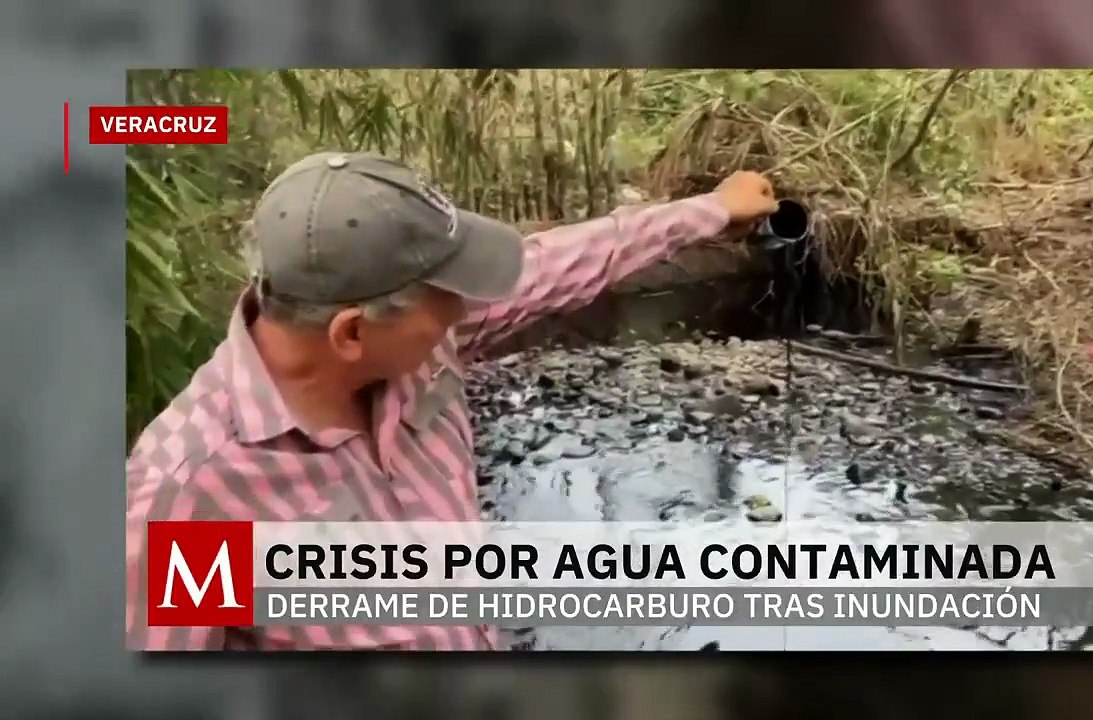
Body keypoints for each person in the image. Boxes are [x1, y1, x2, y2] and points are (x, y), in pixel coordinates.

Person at [125, 150, 779, 651]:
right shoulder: (189, 498)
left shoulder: (420, 338)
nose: (467, 313)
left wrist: (711, 210)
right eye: (450, 303)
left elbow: (559, 262)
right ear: (351, 332)